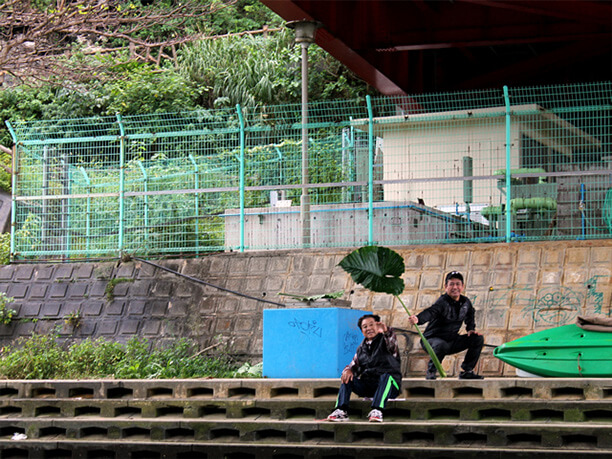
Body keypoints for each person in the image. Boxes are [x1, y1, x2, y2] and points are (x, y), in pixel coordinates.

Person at [408, 271, 484, 380]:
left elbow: (470, 315)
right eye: (451, 284)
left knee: (477, 339)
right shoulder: (442, 302)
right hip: (431, 341)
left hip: (451, 341)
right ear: (445, 287)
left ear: (462, 286)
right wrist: (418, 319)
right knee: (440, 345)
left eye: (458, 284)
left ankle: (467, 371)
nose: (455, 287)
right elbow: (431, 311)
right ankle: (431, 371)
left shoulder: (465, 302)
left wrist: (470, 329)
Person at [326, 314, 402, 423]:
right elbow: (353, 365)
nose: (369, 328)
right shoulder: (361, 349)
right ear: (362, 331)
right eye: (365, 327)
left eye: (372, 325)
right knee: (347, 377)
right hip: (369, 386)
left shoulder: (386, 341)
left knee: (386, 377)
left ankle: (377, 410)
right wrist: (348, 370)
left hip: (389, 386)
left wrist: (386, 331)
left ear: (378, 326)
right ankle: (341, 410)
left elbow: (392, 343)